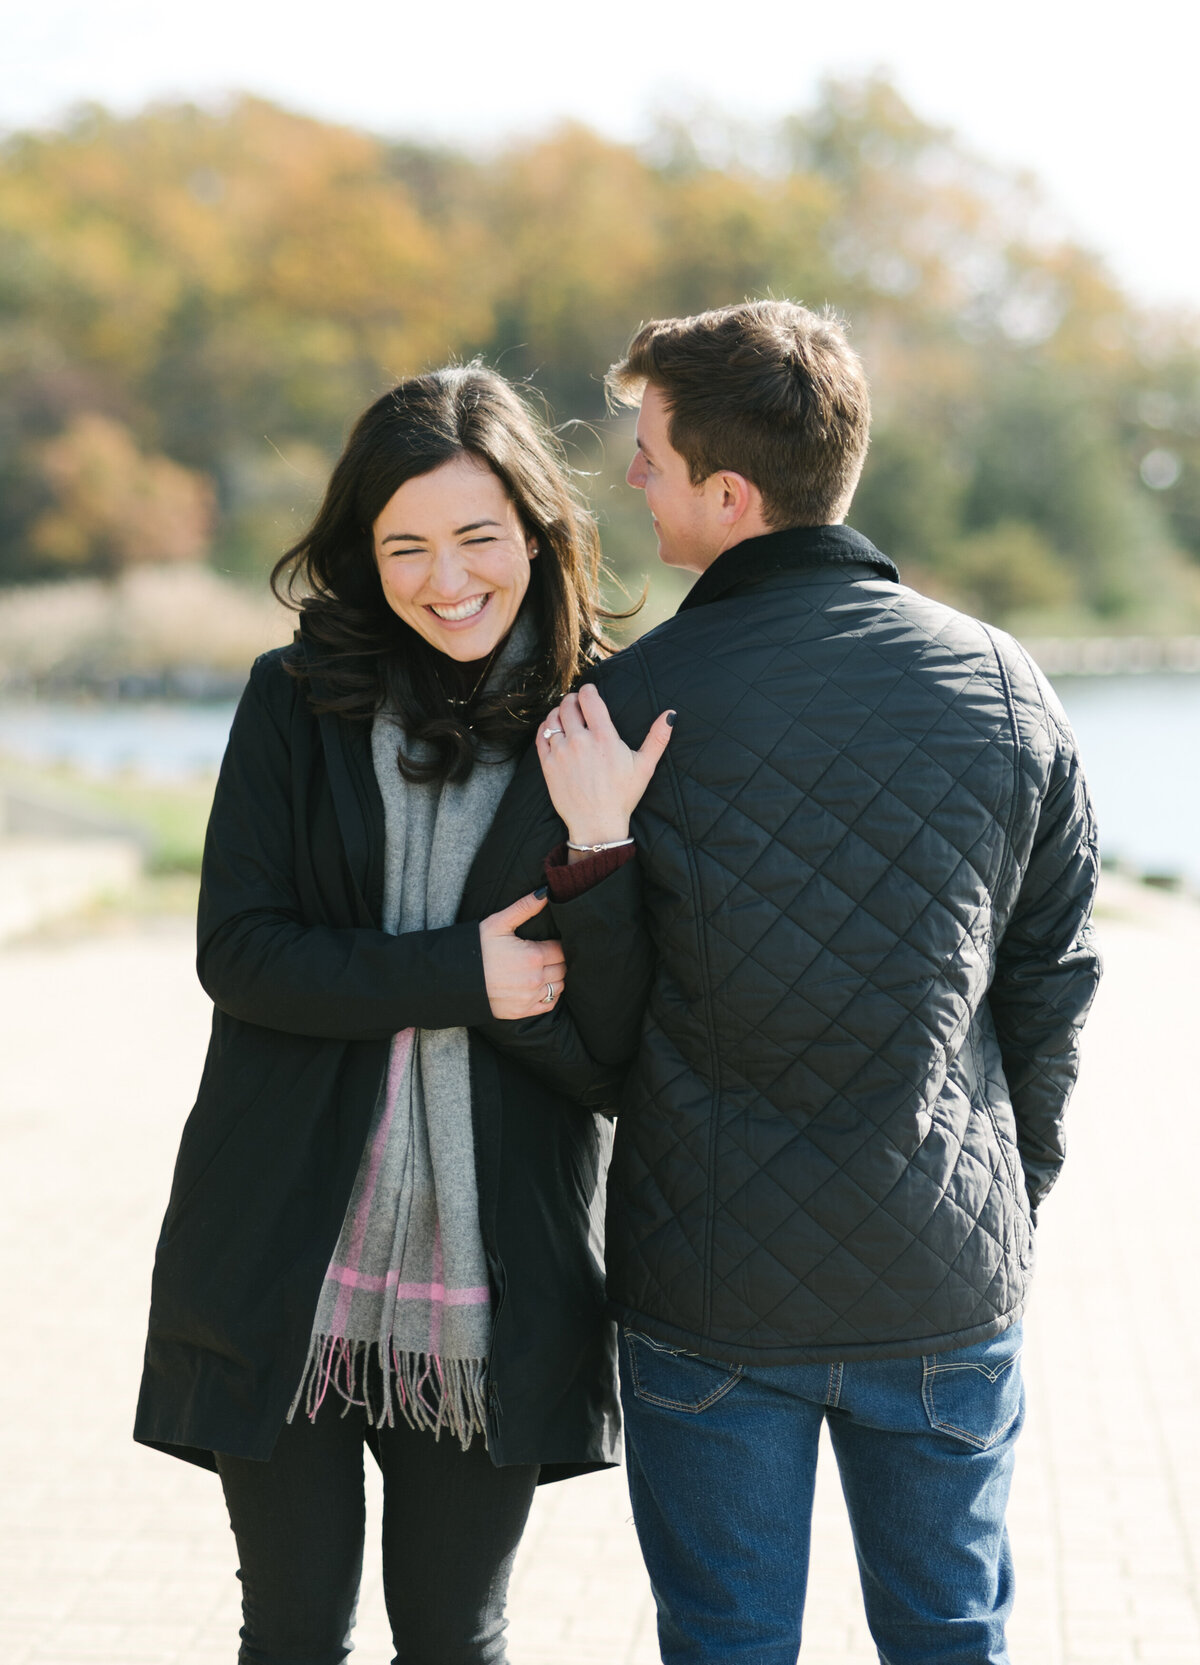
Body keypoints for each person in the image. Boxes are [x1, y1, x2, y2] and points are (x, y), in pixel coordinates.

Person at [521, 300, 1102, 1664]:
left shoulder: (624, 711)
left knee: (726, 1646)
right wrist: (1014, 1189)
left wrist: (592, 854)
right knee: (952, 1639)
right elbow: (1056, 977)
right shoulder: (1008, 684)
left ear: (731, 493)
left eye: (650, 453)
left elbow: (592, 1048)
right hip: (945, 1273)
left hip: (708, 1295)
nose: (634, 479)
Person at [133, 364, 672, 1665]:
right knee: (295, 1632)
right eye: (406, 546)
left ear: (537, 533)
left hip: (497, 1280)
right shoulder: (290, 699)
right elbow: (241, 953)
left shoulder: (597, 723)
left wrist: (602, 852)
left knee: (453, 1637)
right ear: (361, 553)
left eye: (479, 538)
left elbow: (614, 1044)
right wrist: (453, 973)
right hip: (284, 1256)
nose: (448, 580)